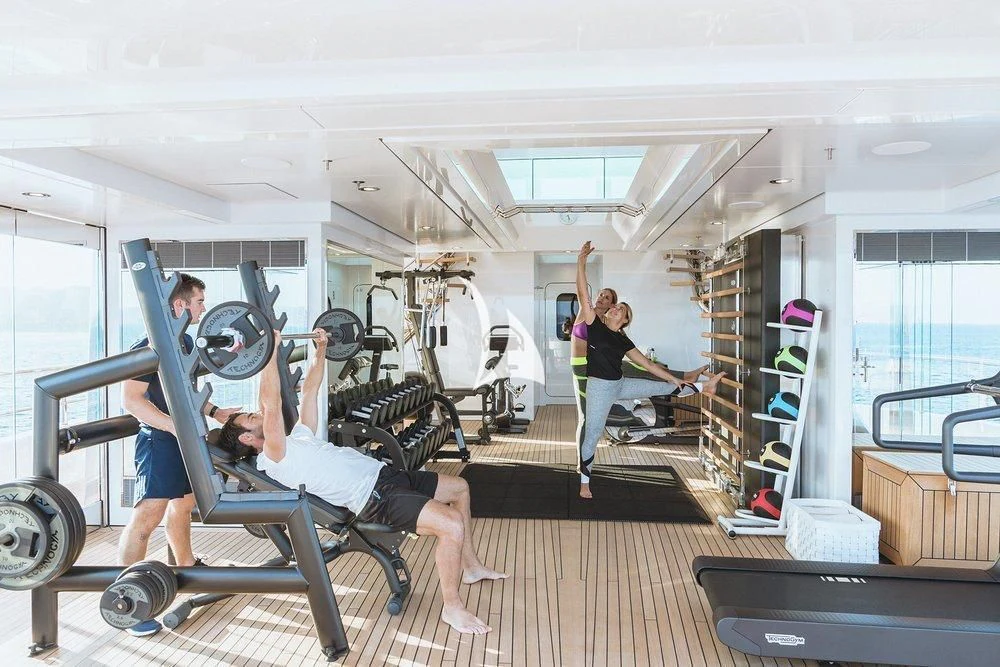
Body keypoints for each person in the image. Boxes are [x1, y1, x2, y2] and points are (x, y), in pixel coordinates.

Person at [217, 328, 508, 636]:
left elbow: (310, 393)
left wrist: (320, 350)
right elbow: (270, 405)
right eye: (249, 418)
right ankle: (452, 608)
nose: (255, 415)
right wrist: (269, 353)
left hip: (384, 476)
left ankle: (471, 566)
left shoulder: (296, 438)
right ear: (248, 438)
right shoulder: (273, 457)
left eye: (250, 414)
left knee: (460, 488)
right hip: (373, 499)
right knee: (450, 525)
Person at [118, 273, 240, 637]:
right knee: (148, 514)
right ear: (180, 304)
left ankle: (186, 566)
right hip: (157, 441)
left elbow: (186, 390)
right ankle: (127, 598)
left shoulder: (183, 340)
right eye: (199, 301)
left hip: (180, 438)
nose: (204, 307)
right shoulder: (149, 346)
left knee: (184, 504)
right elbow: (131, 400)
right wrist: (173, 427)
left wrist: (215, 412)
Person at [575, 241, 724, 499]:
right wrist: (581, 260)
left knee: (666, 386)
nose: (615, 308)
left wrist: (672, 378)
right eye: (615, 307)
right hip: (598, 389)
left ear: (623, 321)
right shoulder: (594, 325)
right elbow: (581, 293)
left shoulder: (623, 340)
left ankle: (704, 386)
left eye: (620, 310)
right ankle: (585, 482)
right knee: (592, 434)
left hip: (620, 384)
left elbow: (648, 365)